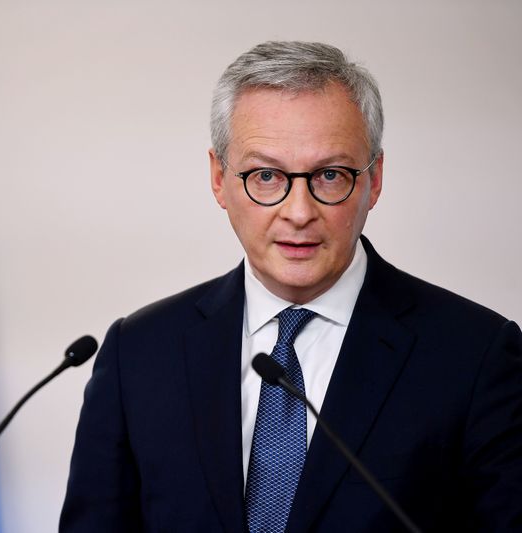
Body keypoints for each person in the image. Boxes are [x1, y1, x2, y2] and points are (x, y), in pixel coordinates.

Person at [60, 41, 522, 532]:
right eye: (265, 175)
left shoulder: (476, 357)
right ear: (219, 178)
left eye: (329, 175)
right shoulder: (139, 355)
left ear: (375, 179)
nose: (299, 212)